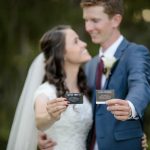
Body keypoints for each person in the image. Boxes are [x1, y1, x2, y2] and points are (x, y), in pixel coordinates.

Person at [38, 0, 150, 150]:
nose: (88, 28)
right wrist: (47, 129)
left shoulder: (134, 53)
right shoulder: (90, 65)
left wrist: (131, 107)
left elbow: (140, 85)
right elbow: (86, 99)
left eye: (95, 20)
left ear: (115, 20)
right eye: (86, 20)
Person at [7, 25, 93, 150]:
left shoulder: (82, 89)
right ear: (62, 53)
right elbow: (40, 120)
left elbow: (99, 100)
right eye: (76, 41)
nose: (84, 44)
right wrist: (51, 116)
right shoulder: (46, 91)